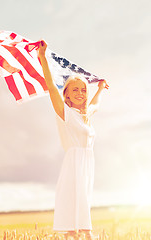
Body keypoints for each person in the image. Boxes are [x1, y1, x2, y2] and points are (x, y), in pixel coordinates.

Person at [37, 40, 109, 240]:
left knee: (83, 201)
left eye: (83, 90)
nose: (80, 93)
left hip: (87, 163)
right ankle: (83, 235)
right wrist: (43, 58)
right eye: (75, 90)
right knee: (76, 203)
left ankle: (79, 234)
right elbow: (51, 87)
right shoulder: (65, 113)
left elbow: (95, 104)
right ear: (66, 94)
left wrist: (100, 88)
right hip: (74, 163)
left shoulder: (85, 115)